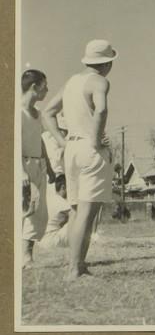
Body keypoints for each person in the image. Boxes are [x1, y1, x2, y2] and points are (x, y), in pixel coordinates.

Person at [43, 39, 117, 280]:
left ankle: (77, 266)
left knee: (76, 211)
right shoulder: (100, 81)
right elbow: (102, 110)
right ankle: (76, 269)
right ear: (107, 63)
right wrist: (96, 140)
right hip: (89, 149)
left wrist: (63, 142)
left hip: (72, 149)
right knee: (87, 211)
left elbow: (48, 112)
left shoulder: (72, 82)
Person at [21, 69, 52, 268]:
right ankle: (21, 256)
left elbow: (39, 140)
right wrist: (21, 171)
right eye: (44, 86)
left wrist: (48, 165)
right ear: (34, 87)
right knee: (24, 209)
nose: (47, 90)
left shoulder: (38, 114)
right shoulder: (17, 112)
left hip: (38, 165)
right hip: (22, 165)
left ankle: (27, 255)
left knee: (38, 211)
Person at [39, 174, 71, 249]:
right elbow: (78, 218)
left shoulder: (49, 198)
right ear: (63, 187)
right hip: (53, 241)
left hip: (41, 241)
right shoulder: (63, 203)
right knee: (79, 220)